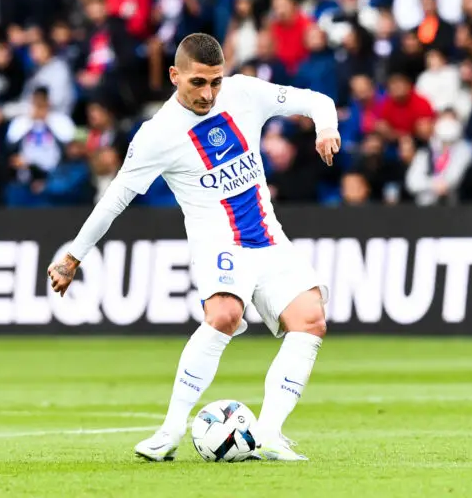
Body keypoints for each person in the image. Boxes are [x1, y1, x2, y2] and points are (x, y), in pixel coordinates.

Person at [46, 33, 340, 461]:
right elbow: (114, 200)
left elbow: (317, 100)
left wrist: (326, 128)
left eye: (215, 82)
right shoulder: (157, 134)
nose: (208, 94)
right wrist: (73, 257)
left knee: (310, 320)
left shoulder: (243, 93)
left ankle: (269, 435)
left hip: (268, 238)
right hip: (219, 244)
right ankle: (168, 432)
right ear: (174, 75)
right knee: (224, 315)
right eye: (197, 82)